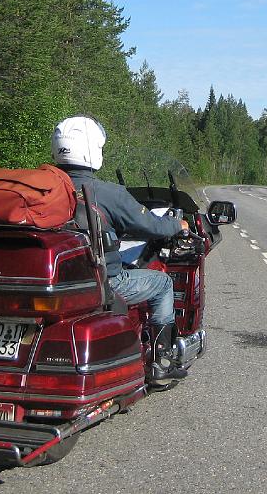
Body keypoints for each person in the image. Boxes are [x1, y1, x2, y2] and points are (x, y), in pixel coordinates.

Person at [52, 116, 188, 383]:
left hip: (63, 281)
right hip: (104, 282)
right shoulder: (107, 192)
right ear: (93, 150)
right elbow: (152, 226)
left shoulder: (47, 188)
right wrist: (177, 224)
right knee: (161, 283)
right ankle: (162, 362)